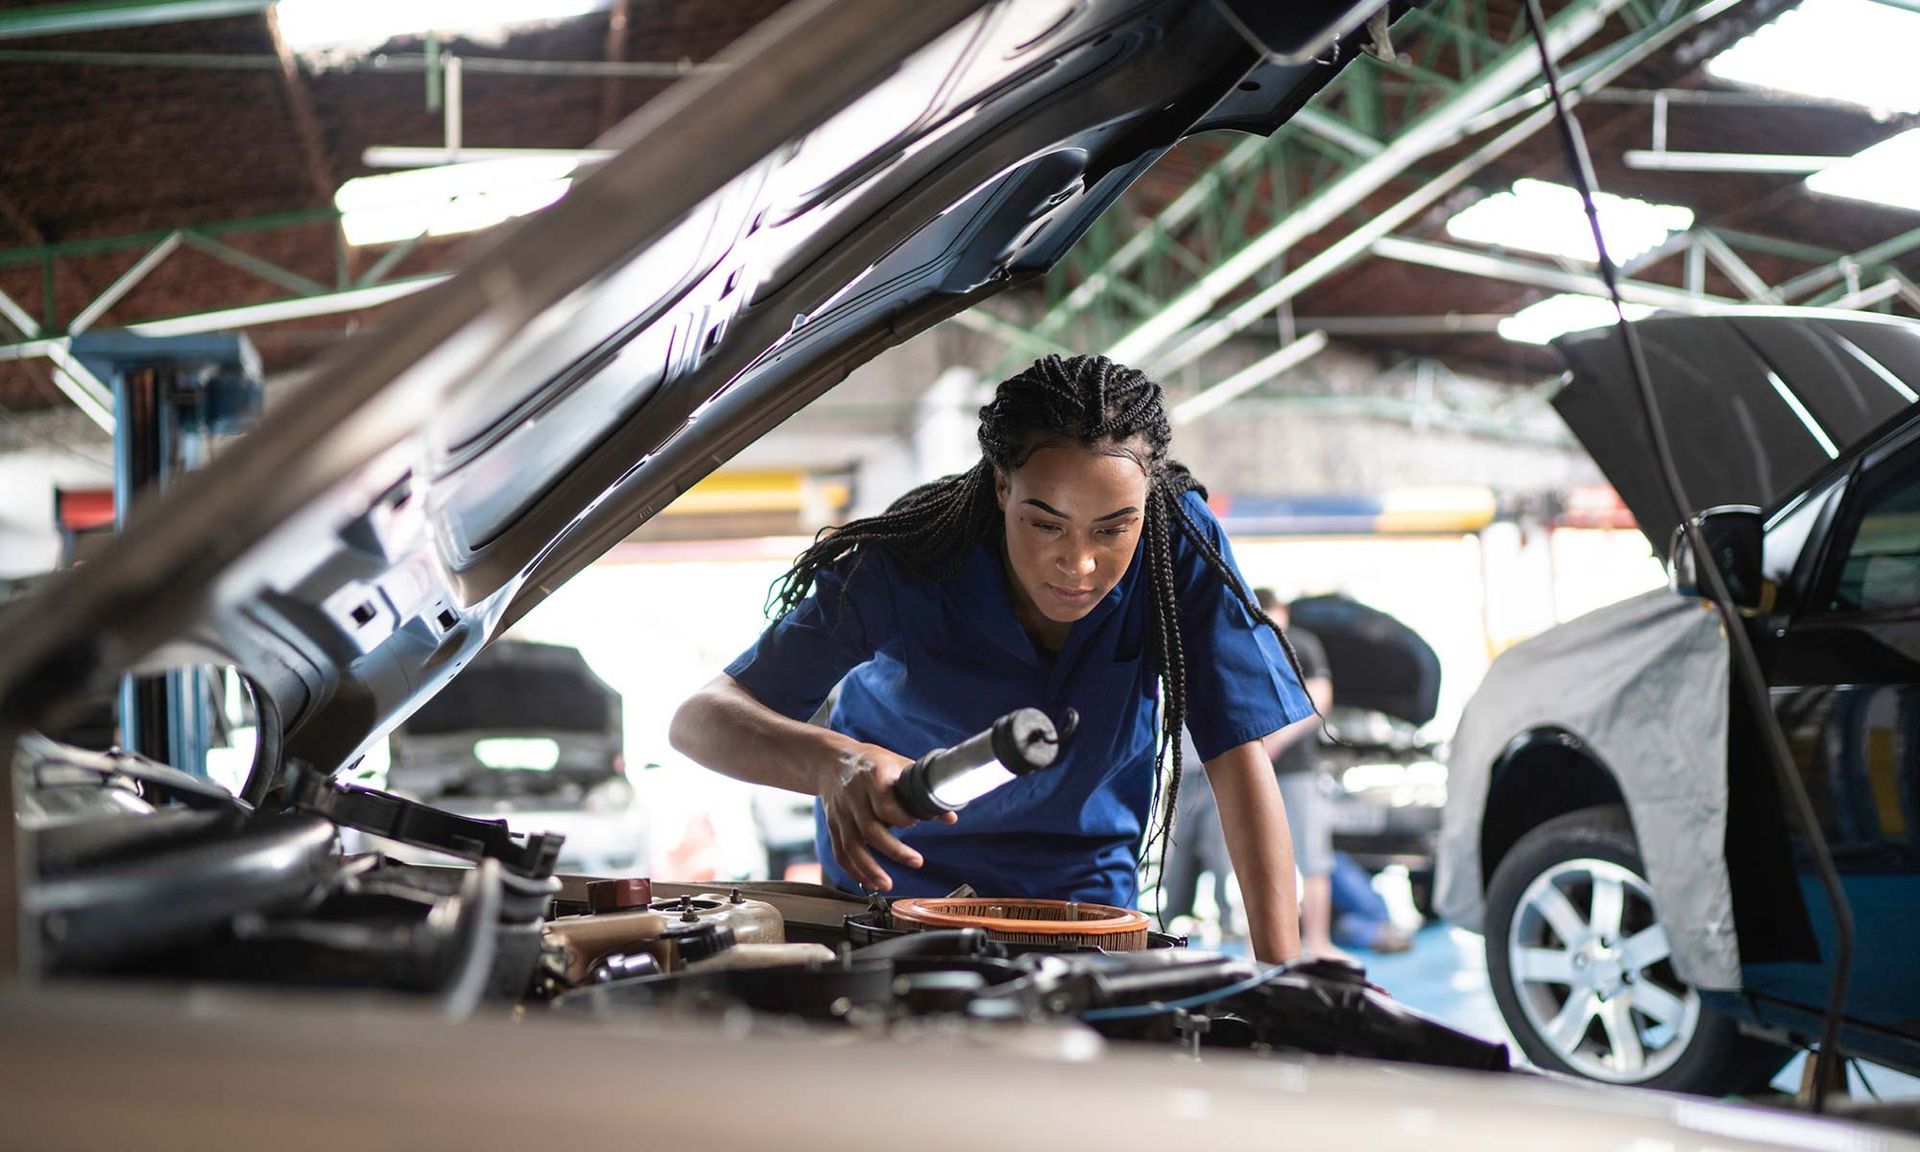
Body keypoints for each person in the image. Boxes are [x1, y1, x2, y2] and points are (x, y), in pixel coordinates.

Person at [670, 354, 1316, 962]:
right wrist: (832, 763)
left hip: (1081, 900)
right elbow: (701, 720)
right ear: (1003, 487)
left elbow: (1235, 754)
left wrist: (1281, 974)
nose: (1081, 563)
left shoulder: (1176, 543)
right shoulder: (913, 557)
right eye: (1046, 524)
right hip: (898, 889)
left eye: (1113, 527)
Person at [1257, 589, 1344, 960]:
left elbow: (1319, 699)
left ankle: (1318, 942)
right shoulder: (1249, 645)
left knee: (1312, 860)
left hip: (1298, 770)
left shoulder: (1302, 645)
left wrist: (1277, 740)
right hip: (1261, 772)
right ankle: (1262, 944)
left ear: (1282, 612)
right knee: (1261, 859)